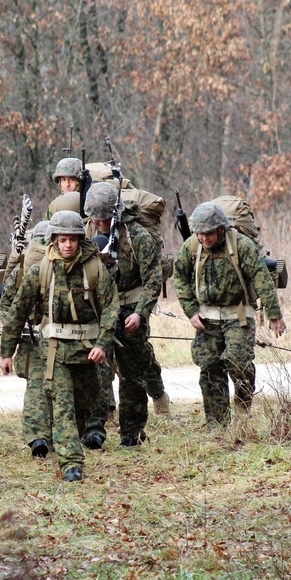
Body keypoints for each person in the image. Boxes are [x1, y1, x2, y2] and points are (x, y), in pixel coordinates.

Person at [0, 211, 118, 482]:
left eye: (72, 240)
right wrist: (7, 352)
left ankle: (69, 442)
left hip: (87, 351)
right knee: (62, 407)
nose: (67, 245)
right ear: (53, 240)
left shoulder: (94, 268)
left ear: (80, 240)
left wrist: (102, 344)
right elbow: (17, 312)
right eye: (62, 240)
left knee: (83, 405)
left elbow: (111, 307)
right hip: (54, 352)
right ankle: (71, 464)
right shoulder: (39, 271)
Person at [173, 202, 286, 428]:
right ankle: (217, 424)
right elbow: (180, 278)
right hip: (206, 318)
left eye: (209, 234)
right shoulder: (191, 247)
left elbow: (262, 278)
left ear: (221, 229)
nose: (204, 238)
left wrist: (274, 314)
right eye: (200, 234)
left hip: (239, 316)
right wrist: (191, 311)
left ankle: (243, 407)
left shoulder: (241, 245)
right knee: (209, 368)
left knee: (238, 362)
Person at [81, 182, 164, 448]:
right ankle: (94, 429)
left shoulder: (137, 235)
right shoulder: (85, 233)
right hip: (100, 310)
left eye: (105, 218)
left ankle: (132, 431)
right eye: (96, 218)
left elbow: (153, 279)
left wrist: (141, 313)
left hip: (131, 309)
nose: (101, 223)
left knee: (132, 373)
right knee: (97, 371)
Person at [0, 220, 52, 458]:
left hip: (33, 337)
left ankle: (38, 437)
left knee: (36, 388)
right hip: (54, 336)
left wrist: (17, 330)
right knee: (55, 387)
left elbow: (7, 306)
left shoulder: (22, 270)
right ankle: (48, 436)